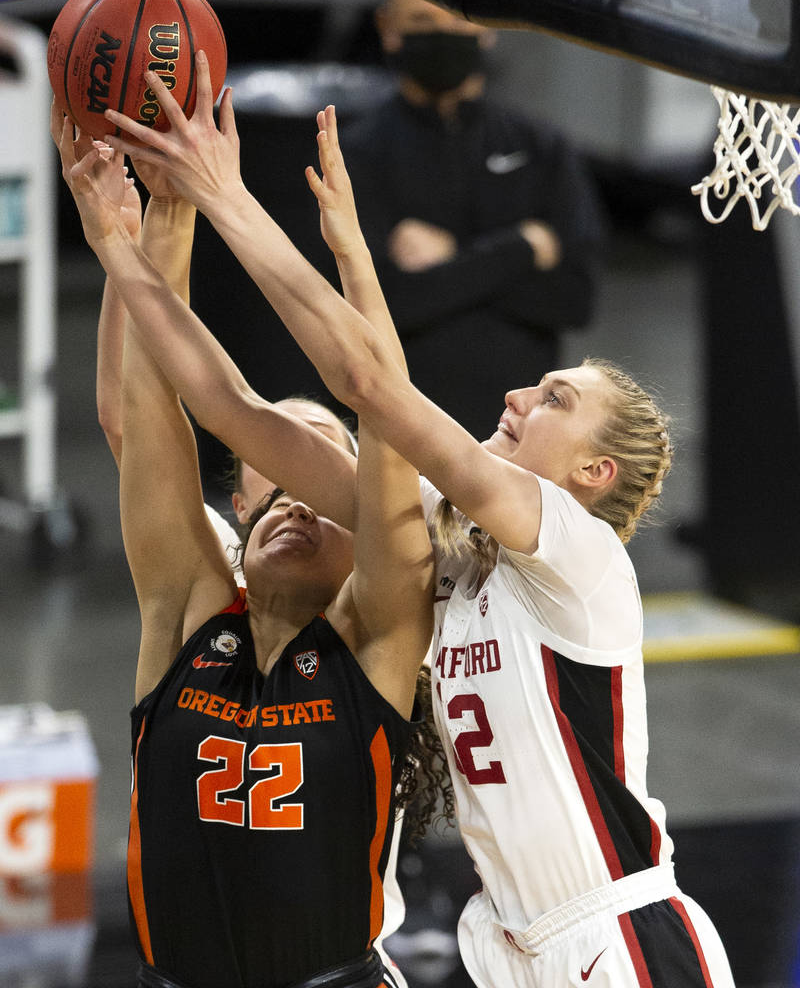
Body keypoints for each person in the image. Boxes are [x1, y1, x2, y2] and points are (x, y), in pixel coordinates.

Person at [101, 55, 736, 988]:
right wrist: (138, 234)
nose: (521, 392)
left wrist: (230, 195)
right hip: (510, 943)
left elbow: (372, 390)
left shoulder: (578, 552)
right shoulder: (450, 544)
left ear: (594, 472)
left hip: (617, 930)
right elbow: (232, 409)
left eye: (555, 398)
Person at [55, 109, 440, 988]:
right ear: (240, 499)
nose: (296, 500)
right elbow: (148, 416)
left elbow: (383, 407)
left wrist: (350, 257)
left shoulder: (380, 637)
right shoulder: (190, 609)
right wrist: (163, 216)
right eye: (276, 475)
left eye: (321, 474)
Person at [341, 0, 605, 438]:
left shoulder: (541, 147)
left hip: (520, 437)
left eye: (458, 21)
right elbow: (382, 304)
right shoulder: (355, 153)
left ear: (487, 26)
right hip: (400, 430)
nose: (443, 36)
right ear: (388, 29)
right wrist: (522, 248)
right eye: (422, 22)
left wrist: (452, 258)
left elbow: (574, 298)